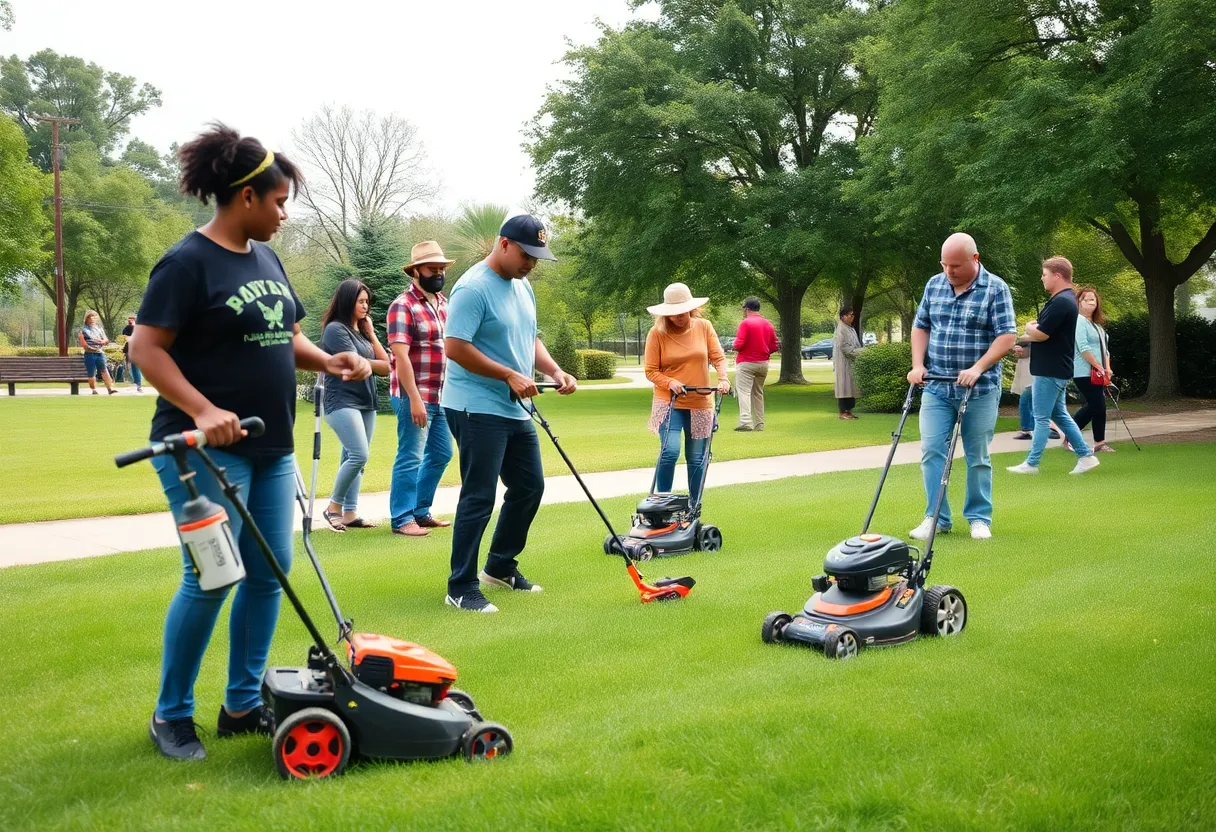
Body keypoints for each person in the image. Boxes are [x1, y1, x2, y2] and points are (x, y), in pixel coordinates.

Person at [128, 124, 371, 762]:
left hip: (272, 447)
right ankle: (170, 715)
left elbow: (283, 333)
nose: (285, 214)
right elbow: (144, 349)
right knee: (213, 575)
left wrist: (330, 361)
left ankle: (240, 705)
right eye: (279, 201)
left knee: (269, 576)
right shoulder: (187, 263)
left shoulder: (265, 256)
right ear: (244, 198)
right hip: (200, 451)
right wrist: (204, 409)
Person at [441, 215, 578, 614]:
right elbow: (455, 347)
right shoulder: (472, 288)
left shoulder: (523, 286)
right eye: (525, 254)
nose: (531, 263)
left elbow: (530, 337)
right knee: (479, 495)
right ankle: (460, 585)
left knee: (530, 487)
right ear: (503, 244)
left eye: (536, 256)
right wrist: (507, 374)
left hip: (515, 407)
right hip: (474, 406)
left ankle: (499, 566)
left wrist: (553, 370)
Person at [907, 233, 1017, 541]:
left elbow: (1007, 336)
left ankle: (979, 517)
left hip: (979, 389)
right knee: (931, 450)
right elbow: (921, 325)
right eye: (945, 265)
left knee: (976, 454)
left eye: (956, 265)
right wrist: (918, 365)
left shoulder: (995, 288)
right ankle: (936, 517)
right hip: (937, 386)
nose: (950, 271)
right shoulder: (934, 284)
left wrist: (978, 368)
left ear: (975, 259)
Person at [1006, 257, 1100, 476]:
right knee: (1060, 415)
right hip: (1054, 368)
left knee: (1040, 417)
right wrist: (1030, 333)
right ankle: (1086, 456)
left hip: (1050, 369)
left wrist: (1029, 327)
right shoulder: (1064, 300)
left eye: (1045, 274)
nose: (1042, 278)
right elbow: (1040, 333)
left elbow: (1041, 333)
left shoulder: (1061, 302)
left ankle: (1032, 463)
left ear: (1057, 276)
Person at [387, 241, 456, 537]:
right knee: (410, 455)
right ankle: (402, 518)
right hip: (413, 396)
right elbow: (399, 356)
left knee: (442, 453)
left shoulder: (443, 302)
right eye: (432, 268)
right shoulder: (403, 306)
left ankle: (420, 510)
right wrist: (414, 399)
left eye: (441, 268)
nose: (438, 273)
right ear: (416, 271)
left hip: (441, 395)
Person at [644, 282, 731, 501]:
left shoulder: (704, 327)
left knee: (696, 457)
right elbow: (651, 370)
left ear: (691, 309)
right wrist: (669, 381)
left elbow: (718, 357)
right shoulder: (657, 333)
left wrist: (723, 378)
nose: (679, 317)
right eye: (673, 313)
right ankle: (662, 502)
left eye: (682, 311)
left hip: (700, 402)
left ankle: (694, 505)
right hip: (670, 401)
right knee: (669, 451)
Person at [320, 279, 391, 531]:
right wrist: (372, 365)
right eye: (361, 301)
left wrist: (371, 334)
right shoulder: (335, 330)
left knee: (356, 459)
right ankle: (333, 508)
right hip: (341, 400)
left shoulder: (362, 333)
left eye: (367, 302)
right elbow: (355, 364)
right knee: (359, 454)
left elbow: (387, 366)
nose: (366, 306)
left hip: (365, 400)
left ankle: (350, 513)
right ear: (347, 301)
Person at [1071, 286, 1115, 452]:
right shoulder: (1079, 321)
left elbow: (1106, 350)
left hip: (1098, 372)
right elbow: (1083, 347)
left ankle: (1071, 433)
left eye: (1093, 299)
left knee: (1093, 405)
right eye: (1086, 299)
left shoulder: (1097, 326)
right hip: (1084, 372)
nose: (1090, 302)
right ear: (1079, 302)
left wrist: (1107, 368)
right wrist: (1098, 366)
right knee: (1098, 405)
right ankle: (1099, 443)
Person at [731, 297, 779, 431]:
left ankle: (745, 421)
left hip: (746, 362)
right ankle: (760, 423)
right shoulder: (768, 324)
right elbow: (775, 345)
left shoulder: (745, 323)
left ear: (746, 309)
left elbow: (739, 344)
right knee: (758, 392)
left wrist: (733, 345)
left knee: (744, 392)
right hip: (763, 363)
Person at [1010, 343, 1061, 441]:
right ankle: (1034, 429)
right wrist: (1017, 350)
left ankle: (1038, 429)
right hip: (1028, 373)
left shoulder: (1037, 339)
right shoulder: (1028, 339)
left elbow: (1031, 352)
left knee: (1026, 401)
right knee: (1031, 403)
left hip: (1034, 375)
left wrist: (1022, 350)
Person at [832, 305, 863, 420]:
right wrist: (858, 352)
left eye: (853, 315)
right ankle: (843, 411)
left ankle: (849, 411)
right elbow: (844, 347)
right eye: (850, 315)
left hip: (851, 362)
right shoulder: (841, 330)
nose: (852, 317)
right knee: (843, 387)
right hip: (843, 363)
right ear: (843, 317)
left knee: (851, 388)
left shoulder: (849, 328)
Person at [78, 310, 117, 395]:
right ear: (87, 319)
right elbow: (83, 343)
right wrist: (89, 348)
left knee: (104, 370)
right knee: (91, 372)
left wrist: (103, 342)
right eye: (91, 317)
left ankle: (110, 388)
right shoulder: (83, 330)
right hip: (90, 354)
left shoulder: (99, 329)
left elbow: (106, 340)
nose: (92, 319)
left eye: (94, 318)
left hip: (100, 353)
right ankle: (94, 389)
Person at [122, 315, 144, 392]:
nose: (130, 321)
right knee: (130, 365)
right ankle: (135, 383)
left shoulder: (139, 328)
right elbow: (124, 337)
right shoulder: (126, 328)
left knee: (136, 366)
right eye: (129, 319)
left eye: (132, 319)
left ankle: (138, 384)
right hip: (129, 348)